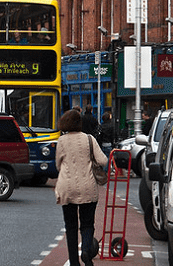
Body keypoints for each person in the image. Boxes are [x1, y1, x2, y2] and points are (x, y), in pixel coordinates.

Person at [55, 109, 108, 266]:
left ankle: (73, 262)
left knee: (70, 227)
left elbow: (58, 165)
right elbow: (103, 160)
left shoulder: (62, 141)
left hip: (67, 188)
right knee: (87, 224)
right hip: (87, 187)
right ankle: (86, 250)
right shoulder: (89, 139)